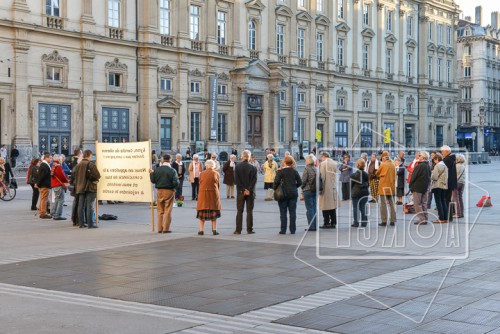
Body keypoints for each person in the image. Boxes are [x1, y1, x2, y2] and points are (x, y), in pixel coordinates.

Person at [149, 154, 179, 233]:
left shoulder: (157, 169)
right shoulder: (172, 170)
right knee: (168, 210)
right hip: (169, 191)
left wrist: (151, 173)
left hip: (159, 191)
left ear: (162, 160)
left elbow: (153, 180)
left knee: (160, 210)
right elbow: (176, 182)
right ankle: (166, 228)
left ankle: (159, 228)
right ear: (170, 160)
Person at [73, 150, 101, 228]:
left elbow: (74, 176)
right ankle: (90, 224)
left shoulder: (78, 165)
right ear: (89, 155)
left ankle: (81, 224)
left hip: (80, 187)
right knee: (90, 205)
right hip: (89, 187)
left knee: (80, 206)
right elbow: (97, 175)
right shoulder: (90, 164)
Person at [274, 156, 301, 234]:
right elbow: (300, 182)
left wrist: (275, 189)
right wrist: (294, 187)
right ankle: (293, 230)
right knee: (292, 212)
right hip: (293, 194)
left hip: (283, 194)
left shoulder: (280, 171)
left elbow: (276, 182)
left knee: (283, 212)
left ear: (284, 162)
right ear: (292, 162)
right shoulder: (294, 171)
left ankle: (283, 229)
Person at [234, 150, 257, 234]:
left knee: (239, 211)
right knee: (249, 211)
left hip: (240, 192)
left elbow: (236, 180)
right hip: (250, 193)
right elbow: (254, 180)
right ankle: (249, 229)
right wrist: (249, 189)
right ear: (249, 157)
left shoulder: (237, 167)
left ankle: (238, 230)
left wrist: (243, 190)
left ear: (242, 157)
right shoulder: (253, 168)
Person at [196, 159, 221, 235]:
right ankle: (214, 230)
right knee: (214, 215)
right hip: (213, 196)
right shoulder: (216, 173)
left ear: (207, 165)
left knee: (201, 215)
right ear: (213, 166)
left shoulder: (202, 174)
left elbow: (200, 183)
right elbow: (218, 185)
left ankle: (201, 230)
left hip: (203, 196)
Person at [409, 151, 431, 225]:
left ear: (424, 157)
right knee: (424, 203)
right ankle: (425, 218)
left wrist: (411, 186)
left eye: (420, 155)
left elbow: (413, 177)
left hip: (418, 187)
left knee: (417, 204)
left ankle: (422, 219)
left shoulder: (419, 166)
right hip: (425, 187)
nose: (418, 156)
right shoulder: (428, 165)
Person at [376, 151, 396, 226]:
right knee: (392, 204)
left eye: (382, 159)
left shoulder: (383, 164)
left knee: (383, 204)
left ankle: (384, 221)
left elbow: (377, 173)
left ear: (384, 158)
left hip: (384, 187)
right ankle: (392, 220)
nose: (382, 160)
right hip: (392, 187)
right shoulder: (393, 164)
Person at [319, 152, 339, 229]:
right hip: (333, 186)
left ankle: (326, 223)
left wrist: (320, 188)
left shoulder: (323, 164)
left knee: (325, 206)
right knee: (332, 206)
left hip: (326, 187)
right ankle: (333, 222)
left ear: (324, 156)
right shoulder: (334, 163)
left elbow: (322, 177)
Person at [350, 159, 370, 227]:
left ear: (357, 165)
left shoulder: (353, 175)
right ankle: (364, 222)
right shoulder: (366, 174)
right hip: (364, 192)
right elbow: (368, 184)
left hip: (356, 193)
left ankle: (356, 222)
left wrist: (352, 191)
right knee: (363, 207)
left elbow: (351, 185)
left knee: (356, 208)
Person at [440, 145, 457, 222]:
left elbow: (440, 169)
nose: (441, 153)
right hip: (450, 182)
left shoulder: (447, 159)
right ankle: (449, 216)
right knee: (447, 199)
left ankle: (447, 217)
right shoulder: (451, 158)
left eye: (442, 152)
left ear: (447, 151)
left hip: (447, 182)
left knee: (445, 200)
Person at [50, 154, 70, 220]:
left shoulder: (53, 165)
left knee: (57, 199)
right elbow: (62, 176)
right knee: (61, 200)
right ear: (58, 159)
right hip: (58, 184)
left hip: (54, 184)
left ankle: (54, 213)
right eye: (60, 159)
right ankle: (58, 215)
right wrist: (67, 181)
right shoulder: (58, 166)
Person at [300, 155, 316, 232]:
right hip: (315, 190)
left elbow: (303, 181)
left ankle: (311, 226)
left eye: (306, 160)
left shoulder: (307, 169)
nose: (305, 162)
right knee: (314, 208)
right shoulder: (316, 168)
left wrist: (302, 188)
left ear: (308, 161)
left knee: (309, 209)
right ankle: (315, 225)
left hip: (308, 190)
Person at [431, 153, 448, 224]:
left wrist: (431, 174)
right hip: (443, 185)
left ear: (437, 159)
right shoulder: (445, 166)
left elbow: (434, 177)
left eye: (434, 159)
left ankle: (441, 218)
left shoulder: (437, 166)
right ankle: (445, 218)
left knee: (438, 202)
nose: (434, 161)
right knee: (443, 201)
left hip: (437, 185)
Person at [37, 152, 53, 219]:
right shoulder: (44, 165)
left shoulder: (44, 164)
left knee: (43, 198)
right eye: (50, 158)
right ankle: (43, 213)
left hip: (44, 184)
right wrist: (38, 184)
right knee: (44, 199)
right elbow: (42, 176)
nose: (51, 159)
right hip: (45, 185)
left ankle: (41, 211)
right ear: (46, 158)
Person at [454, 154, 466, 219]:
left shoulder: (456, 166)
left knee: (455, 198)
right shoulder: (463, 166)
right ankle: (461, 213)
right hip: (462, 183)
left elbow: (455, 176)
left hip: (456, 183)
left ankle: (458, 213)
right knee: (460, 198)